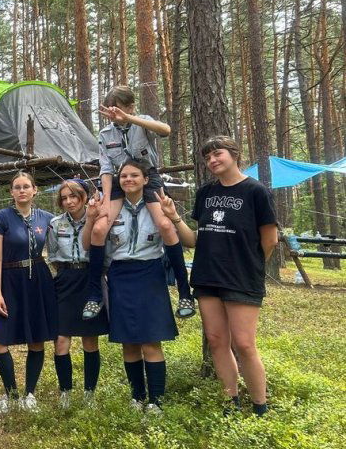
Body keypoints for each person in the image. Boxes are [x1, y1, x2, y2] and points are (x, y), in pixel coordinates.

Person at [159, 136, 278, 416]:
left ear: (234, 154)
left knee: (245, 343)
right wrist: (175, 217)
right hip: (207, 275)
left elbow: (270, 239)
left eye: (218, 154)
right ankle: (230, 402)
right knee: (216, 340)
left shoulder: (256, 191)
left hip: (242, 277)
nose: (212, 160)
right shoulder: (206, 193)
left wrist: (252, 268)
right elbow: (194, 239)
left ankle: (260, 406)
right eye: (208, 157)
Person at [84, 85, 194, 321]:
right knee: (101, 228)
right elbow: (105, 168)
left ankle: (185, 291)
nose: (113, 115)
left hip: (147, 176)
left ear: (130, 106)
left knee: (165, 226)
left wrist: (130, 118)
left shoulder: (141, 121)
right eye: (109, 110)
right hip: (119, 179)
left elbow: (165, 130)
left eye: (117, 109)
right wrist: (104, 198)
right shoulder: (105, 133)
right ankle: (94, 294)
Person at [87, 159, 179, 414]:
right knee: (128, 341)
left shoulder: (157, 207)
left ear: (145, 179)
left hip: (150, 274)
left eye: (134, 175)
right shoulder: (112, 210)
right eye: (124, 176)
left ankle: (156, 400)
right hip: (120, 275)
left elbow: (173, 239)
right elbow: (97, 242)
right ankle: (137, 396)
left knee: (151, 341)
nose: (128, 180)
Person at [0, 172, 57, 415]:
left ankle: (29, 395)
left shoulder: (47, 218)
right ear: (11, 192)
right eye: (17, 187)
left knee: (36, 339)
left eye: (26, 186)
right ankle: (11, 395)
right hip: (10, 280)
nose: (22, 190)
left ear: (35, 190)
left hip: (38, 279)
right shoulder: (1, 217)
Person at [46, 180, 109, 409]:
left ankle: (89, 393)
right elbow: (53, 255)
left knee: (89, 339)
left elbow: (102, 251)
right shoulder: (55, 224)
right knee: (61, 340)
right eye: (64, 198)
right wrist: (64, 274)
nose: (69, 201)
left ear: (83, 197)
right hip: (65, 280)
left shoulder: (98, 219)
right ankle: (65, 392)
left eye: (74, 196)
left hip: (90, 278)